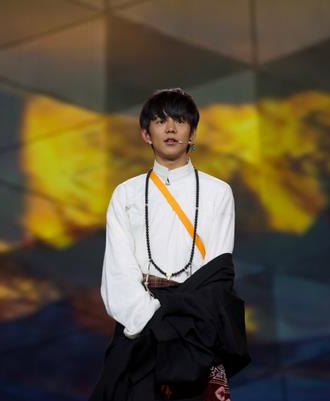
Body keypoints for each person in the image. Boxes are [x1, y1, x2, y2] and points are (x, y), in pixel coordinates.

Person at [90, 88, 250, 401]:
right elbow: (118, 271)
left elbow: (217, 272)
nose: (171, 128)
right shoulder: (126, 194)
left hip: (197, 328)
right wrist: (150, 319)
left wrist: (185, 323)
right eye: (161, 121)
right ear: (145, 134)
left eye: (180, 120)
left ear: (193, 133)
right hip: (139, 327)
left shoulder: (218, 192)